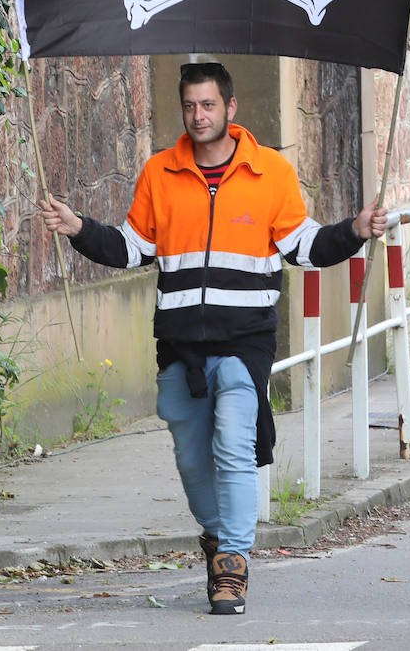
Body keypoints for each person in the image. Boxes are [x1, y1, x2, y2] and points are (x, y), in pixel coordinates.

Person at [37, 61, 386, 617]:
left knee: (233, 446)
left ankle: (232, 564)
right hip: (178, 343)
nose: (199, 116)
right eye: (190, 106)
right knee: (193, 459)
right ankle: (218, 535)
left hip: (245, 341)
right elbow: (132, 248)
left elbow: (304, 246)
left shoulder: (270, 171)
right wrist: (79, 228)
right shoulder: (160, 171)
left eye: (208, 105)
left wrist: (354, 230)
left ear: (230, 108)